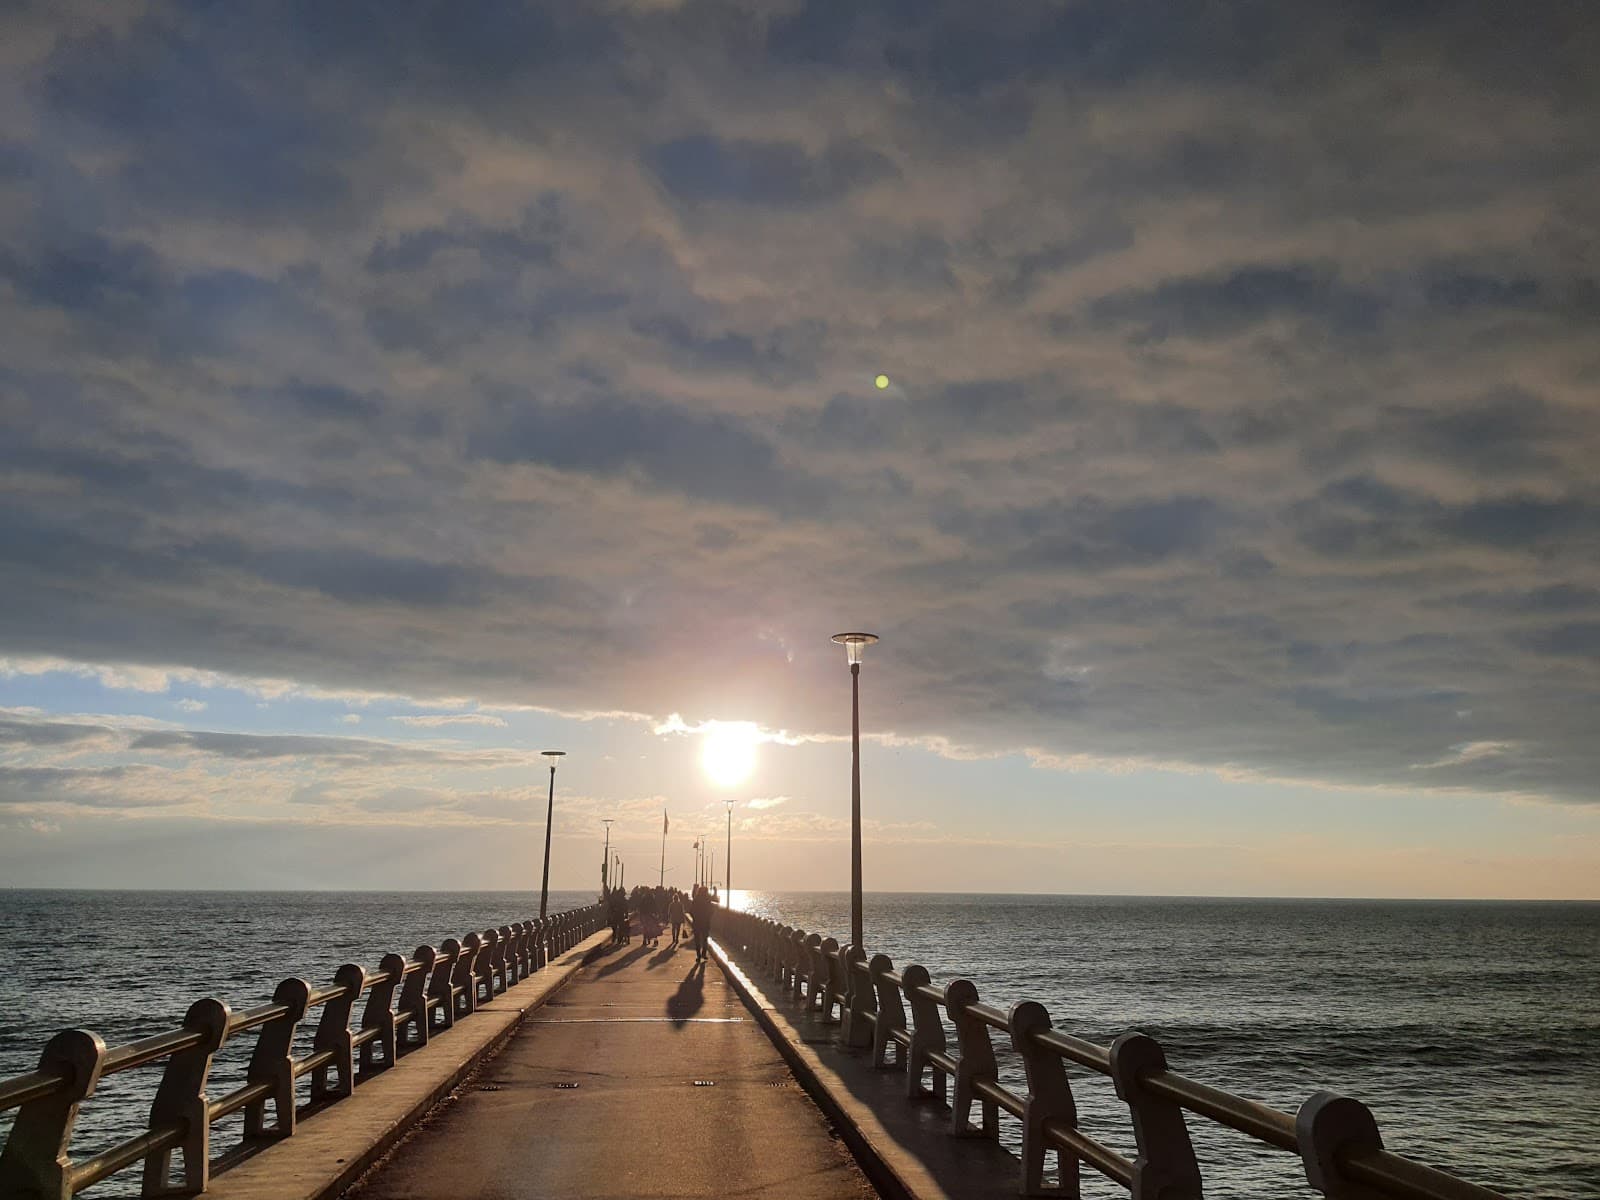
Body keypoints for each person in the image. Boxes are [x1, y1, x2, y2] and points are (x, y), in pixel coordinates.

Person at [690, 884, 713, 962]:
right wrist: (708, 917)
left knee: (697, 939)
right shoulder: (708, 900)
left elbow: (691, 911)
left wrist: (695, 918)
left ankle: (698, 955)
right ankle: (704, 954)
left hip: (697, 922)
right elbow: (711, 911)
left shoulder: (696, 900)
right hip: (705, 922)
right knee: (705, 939)